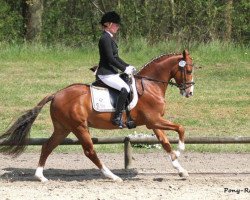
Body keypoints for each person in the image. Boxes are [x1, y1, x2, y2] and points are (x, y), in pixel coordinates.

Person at [96, 11, 136, 127]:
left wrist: (127, 66)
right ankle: (117, 117)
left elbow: (116, 57)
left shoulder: (110, 38)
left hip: (111, 72)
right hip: (105, 73)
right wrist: (124, 69)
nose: (118, 27)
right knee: (125, 89)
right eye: (116, 25)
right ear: (108, 24)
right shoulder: (105, 39)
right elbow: (110, 59)